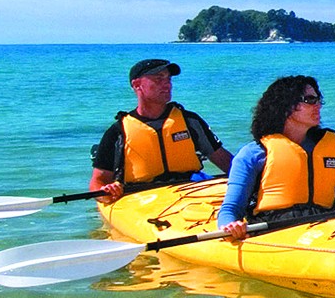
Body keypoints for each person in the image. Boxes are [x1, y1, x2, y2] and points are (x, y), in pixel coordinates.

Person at [217, 75, 335, 241]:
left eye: (318, 99)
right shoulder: (253, 154)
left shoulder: (332, 147)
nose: (318, 105)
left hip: (327, 225)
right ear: (285, 107)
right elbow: (231, 209)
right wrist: (230, 226)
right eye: (309, 100)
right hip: (275, 229)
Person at [90, 58, 235, 200]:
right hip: (140, 195)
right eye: (159, 79)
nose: (167, 85)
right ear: (137, 85)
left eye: (168, 80)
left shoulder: (190, 121)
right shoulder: (118, 131)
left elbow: (225, 161)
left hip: (190, 189)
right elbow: (98, 181)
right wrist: (106, 193)